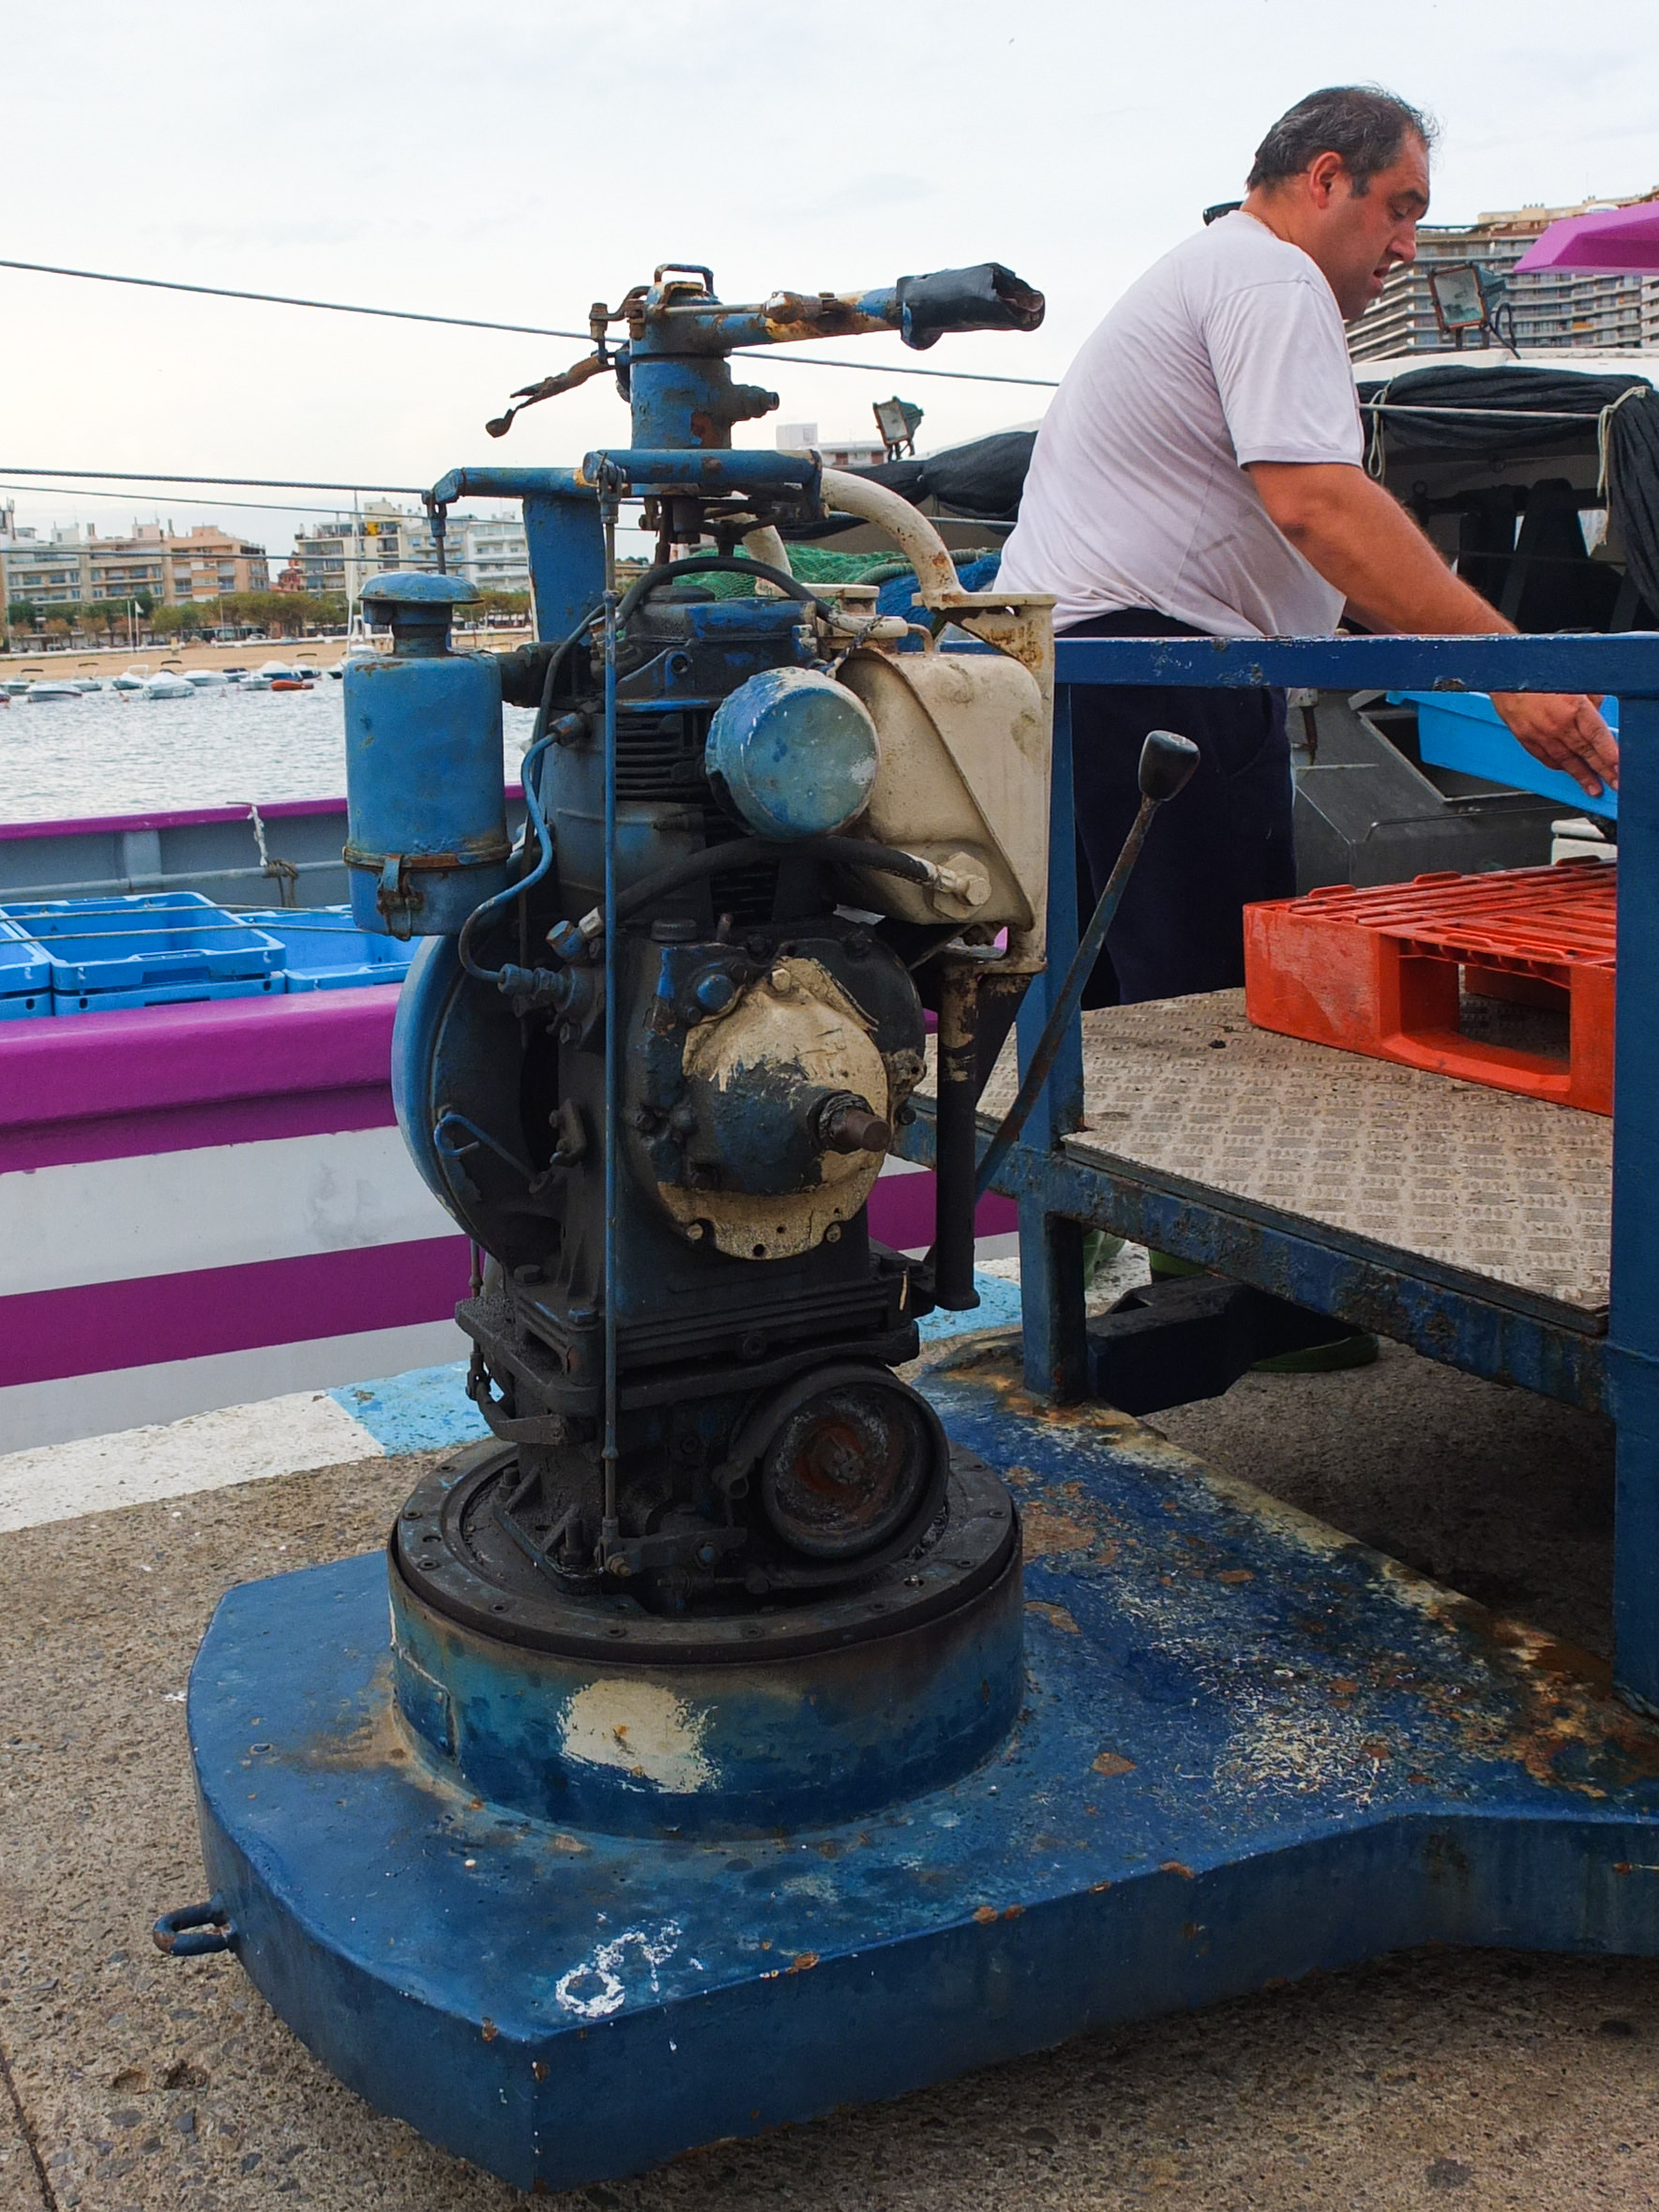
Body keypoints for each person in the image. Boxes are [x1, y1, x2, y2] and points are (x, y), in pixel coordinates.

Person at [996, 84, 1620, 1007]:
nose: (1406, 247)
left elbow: (1328, 549)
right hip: (1161, 678)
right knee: (1201, 1005)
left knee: (1096, 1006)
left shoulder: (1216, 267)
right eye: (1399, 209)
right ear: (1326, 179)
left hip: (1078, 678)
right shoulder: (1274, 278)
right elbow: (1319, 509)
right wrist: (1509, 669)